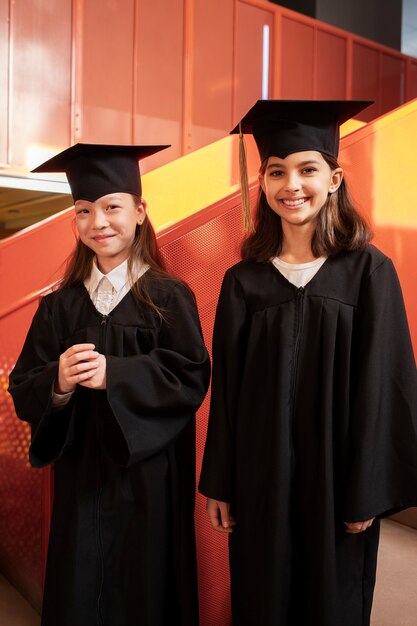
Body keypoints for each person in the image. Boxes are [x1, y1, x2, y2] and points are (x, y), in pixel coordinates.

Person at [198, 100, 417, 626]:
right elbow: (226, 390)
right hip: (259, 474)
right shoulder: (243, 281)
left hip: (337, 480)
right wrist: (222, 482)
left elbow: (386, 386)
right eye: (277, 171)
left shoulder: (369, 271)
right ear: (264, 182)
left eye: (307, 169)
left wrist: (367, 489)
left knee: (331, 600)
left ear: (335, 177)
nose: (291, 185)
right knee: (262, 595)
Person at [8, 143, 211, 626]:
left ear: (140, 212)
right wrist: (57, 381)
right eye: (84, 211)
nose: (98, 221)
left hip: (149, 479)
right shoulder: (61, 307)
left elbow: (191, 374)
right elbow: (23, 386)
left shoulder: (168, 296)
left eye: (112, 207)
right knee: (81, 586)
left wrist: (115, 375)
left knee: (144, 586)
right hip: (81, 477)